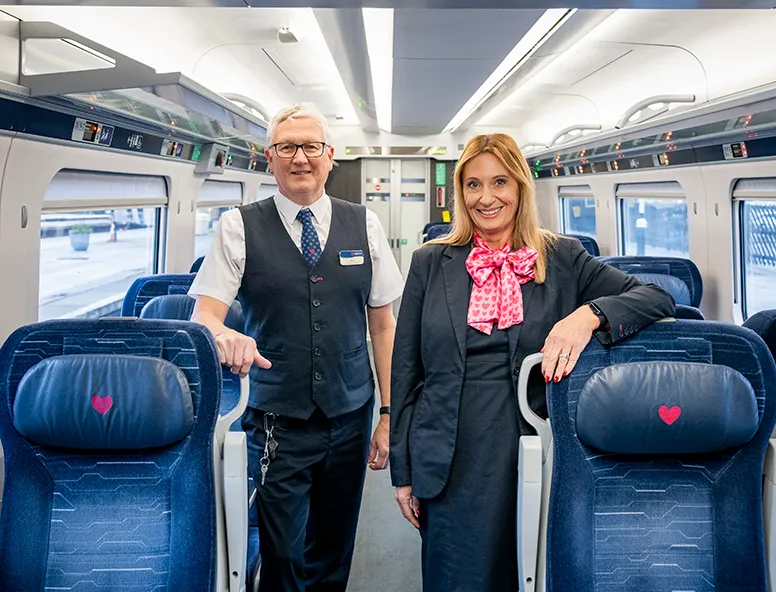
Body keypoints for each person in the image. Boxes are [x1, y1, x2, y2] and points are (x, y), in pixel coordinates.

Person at [389, 133, 675, 591]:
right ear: (460, 193)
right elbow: (406, 372)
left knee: (526, 573)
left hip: (534, 445)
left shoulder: (563, 257)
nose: (486, 197)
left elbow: (656, 297)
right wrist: (402, 473)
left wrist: (589, 314)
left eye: (500, 182)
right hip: (448, 448)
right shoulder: (430, 262)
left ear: (521, 186)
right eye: (473, 185)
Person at [189, 102, 403, 592]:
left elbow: (384, 326)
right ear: (270, 157)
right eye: (287, 147)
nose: (300, 157)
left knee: (333, 544)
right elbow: (205, 317)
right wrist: (225, 335)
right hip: (277, 417)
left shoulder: (363, 224)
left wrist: (388, 414)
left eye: (310, 147)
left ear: (330, 156)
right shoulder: (237, 226)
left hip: (350, 412)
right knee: (283, 552)